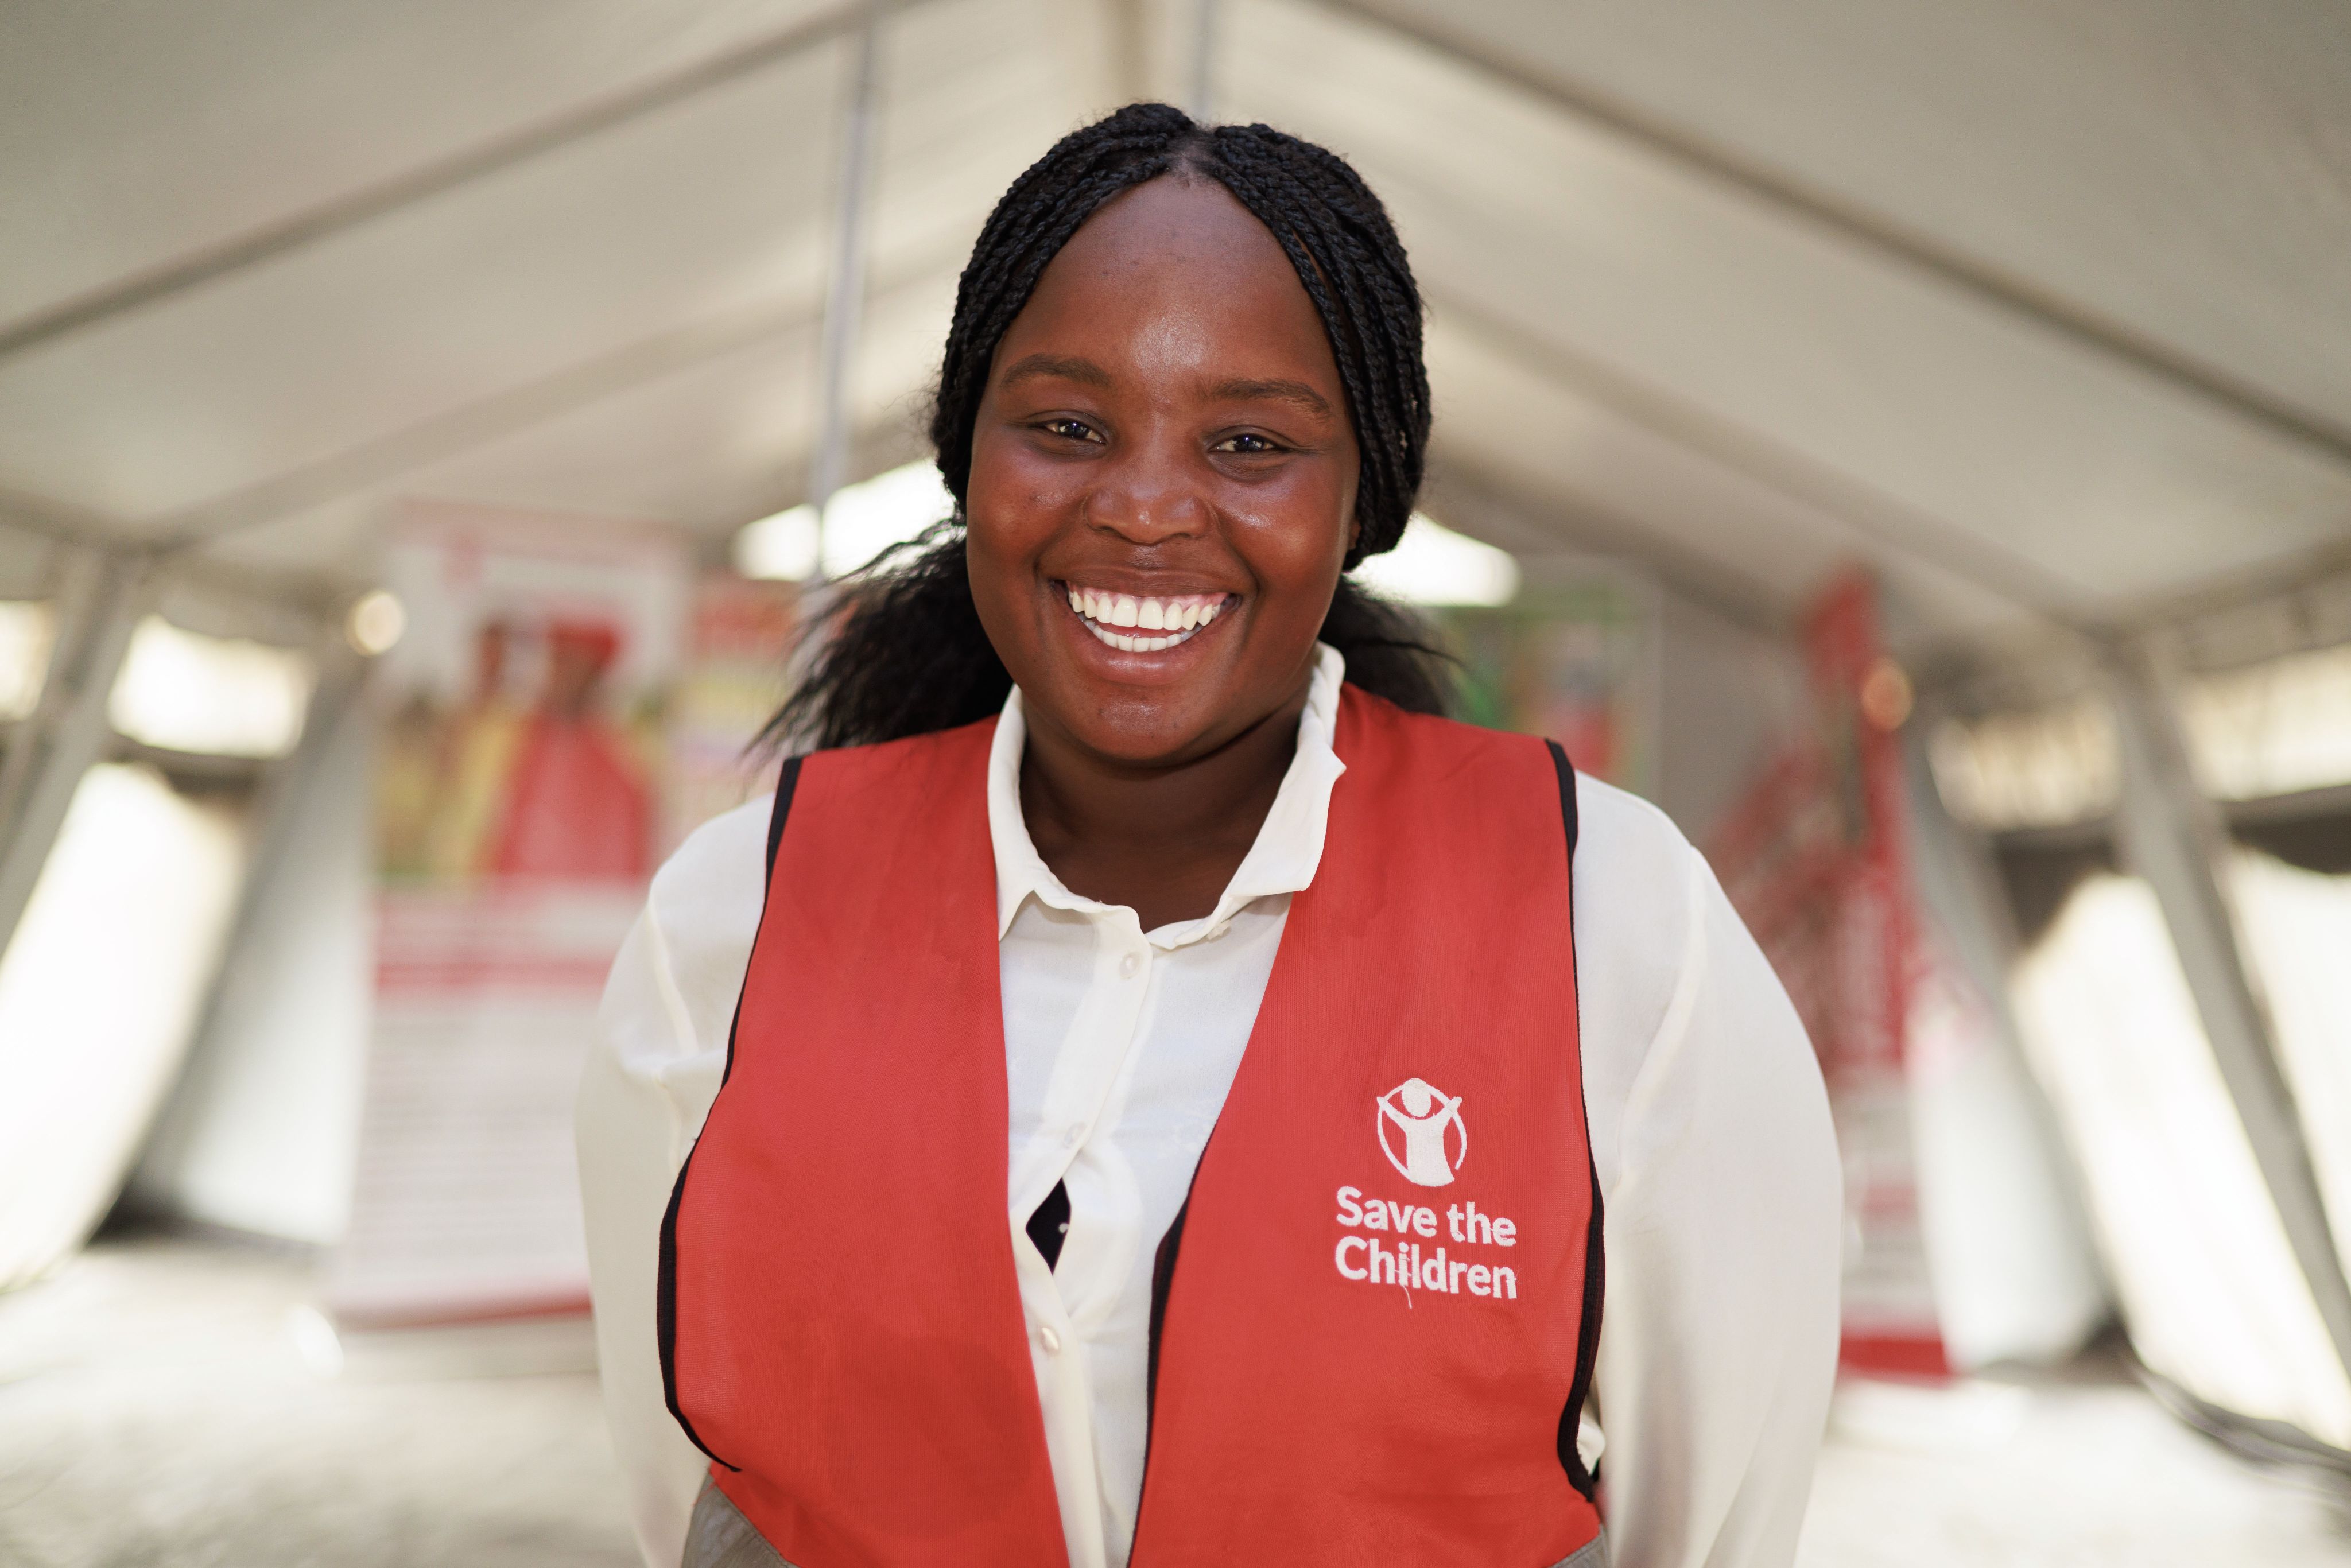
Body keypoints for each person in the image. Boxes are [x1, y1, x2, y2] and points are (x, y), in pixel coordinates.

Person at [578, 103, 1840, 1568]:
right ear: (963, 457)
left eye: (1248, 442)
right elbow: (700, 1495)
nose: (1143, 508)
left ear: (1361, 494)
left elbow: (1717, 1525)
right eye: (1063, 426)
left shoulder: (1609, 920)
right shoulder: (727, 927)